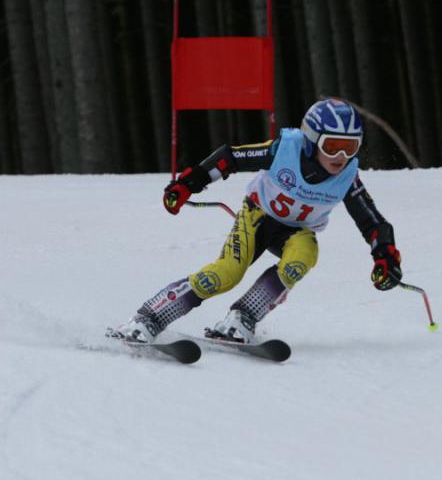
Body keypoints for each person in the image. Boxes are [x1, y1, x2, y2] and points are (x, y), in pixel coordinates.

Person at [109, 98, 402, 343]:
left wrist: (385, 256)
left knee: (304, 256)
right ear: (312, 141)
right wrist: (188, 183)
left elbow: (373, 221)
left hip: (297, 231)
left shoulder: (347, 177)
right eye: (333, 145)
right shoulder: (284, 150)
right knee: (226, 274)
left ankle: (243, 317)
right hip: (257, 218)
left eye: (350, 147)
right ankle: (149, 318)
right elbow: (231, 158)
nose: (341, 156)